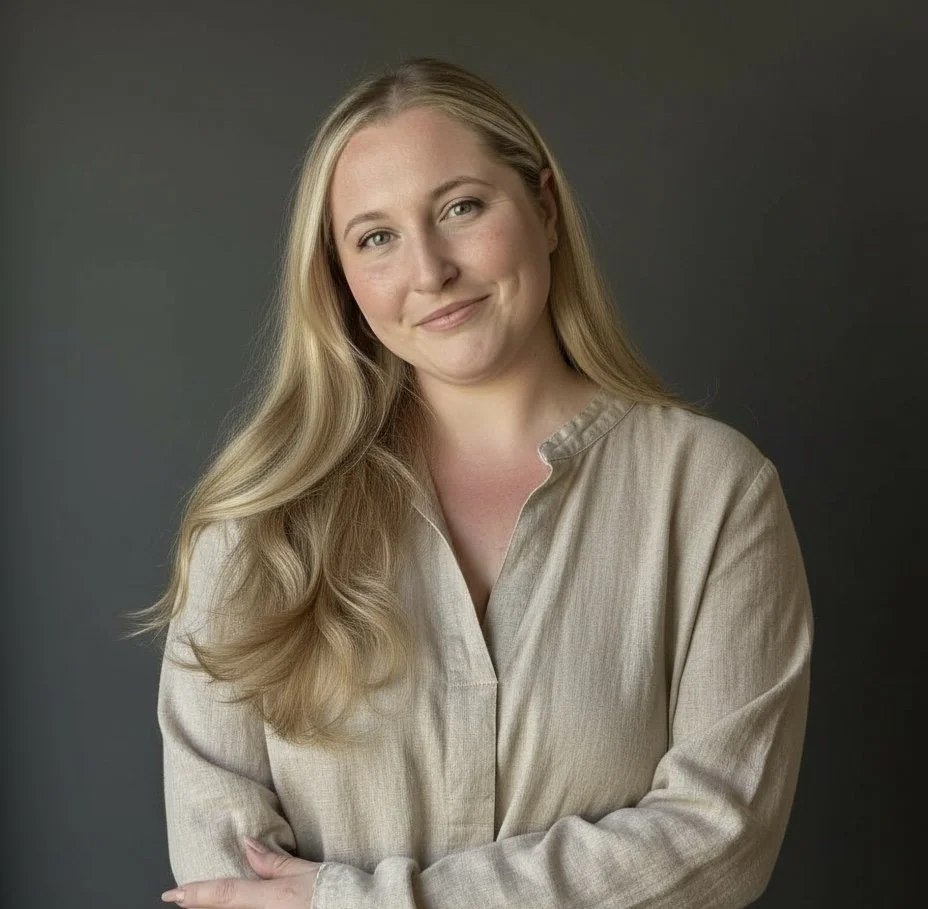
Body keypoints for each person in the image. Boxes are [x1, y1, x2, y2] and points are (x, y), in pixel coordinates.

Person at [126, 56, 814, 909]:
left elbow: (720, 839)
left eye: (460, 208)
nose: (429, 270)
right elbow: (225, 885)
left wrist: (356, 902)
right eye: (376, 237)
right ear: (341, 280)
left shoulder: (714, 491)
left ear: (546, 208)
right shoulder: (258, 522)